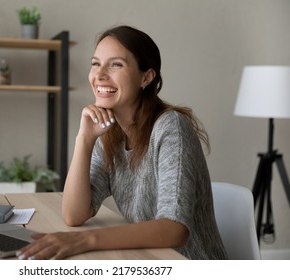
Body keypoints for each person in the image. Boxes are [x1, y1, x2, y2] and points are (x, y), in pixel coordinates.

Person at [16, 25, 227, 260]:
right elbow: (74, 215)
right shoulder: (108, 133)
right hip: (144, 259)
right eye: (96, 63)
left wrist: (86, 240)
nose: (100, 75)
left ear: (146, 77)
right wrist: (84, 139)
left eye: (116, 64)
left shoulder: (170, 128)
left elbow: (174, 228)